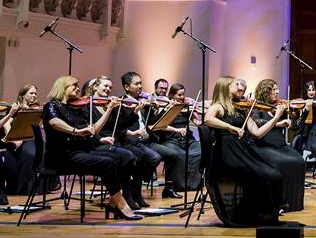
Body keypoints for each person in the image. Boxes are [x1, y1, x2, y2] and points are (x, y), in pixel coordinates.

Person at [42, 75, 141, 220]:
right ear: (63, 88)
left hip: (82, 150)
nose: (78, 88)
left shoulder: (77, 107)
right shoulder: (52, 106)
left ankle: (113, 203)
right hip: (63, 155)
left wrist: (108, 110)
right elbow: (54, 122)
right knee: (107, 163)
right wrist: (75, 131)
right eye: (74, 86)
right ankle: (122, 205)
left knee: (123, 157)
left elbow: (94, 129)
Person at [203, 76, 285, 226]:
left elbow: (258, 133)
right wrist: (230, 127)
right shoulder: (219, 106)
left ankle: (257, 212)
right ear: (226, 88)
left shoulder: (241, 108)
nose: (240, 88)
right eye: (236, 85)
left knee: (274, 174)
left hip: (241, 151)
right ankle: (252, 213)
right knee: (260, 176)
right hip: (226, 154)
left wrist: (276, 118)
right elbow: (207, 119)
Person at [250, 79, 306, 211]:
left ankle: (292, 203)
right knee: (281, 163)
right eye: (274, 89)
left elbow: (296, 127)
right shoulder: (256, 107)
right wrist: (278, 121)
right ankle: (279, 201)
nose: (277, 91)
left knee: (299, 161)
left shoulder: (278, 107)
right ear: (265, 91)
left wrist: (306, 111)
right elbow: (258, 122)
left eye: (276, 89)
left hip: (280, 146)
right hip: (263, 146)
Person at [116, 71, 165, 205]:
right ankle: (134, 192)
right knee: (143, 158)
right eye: (136, 84)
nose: (140, 86)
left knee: (155, 157)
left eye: (141, 83)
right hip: (128, 141)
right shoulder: (122, 102)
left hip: (144, 140)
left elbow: (150, 122)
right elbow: (120, 125)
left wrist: (154, 111)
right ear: (127, 87)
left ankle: (135, 189)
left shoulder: (142, 102)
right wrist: (134, 112)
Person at [148, 82, 203, 195]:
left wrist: (197, 111)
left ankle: (193, 184)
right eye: (179, 95)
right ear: (172, 95)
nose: (182, 97)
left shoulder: (186, 107)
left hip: (188, 139)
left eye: (183, 95)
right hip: (170, 139)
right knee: (179, 154)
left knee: (198, 152)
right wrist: (169, 109)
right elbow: (159, 126)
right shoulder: (167, 107)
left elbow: (198, 122)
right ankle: (178, 185)